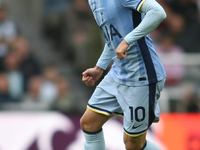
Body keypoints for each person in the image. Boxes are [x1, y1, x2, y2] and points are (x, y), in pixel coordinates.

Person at [80, 0, 167, 150]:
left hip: (142, 75)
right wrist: (99, 67)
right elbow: (113, 37)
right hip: (118, 73)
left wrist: (127, 41)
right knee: (89, 122)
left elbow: (158, 12)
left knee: (133, 144)